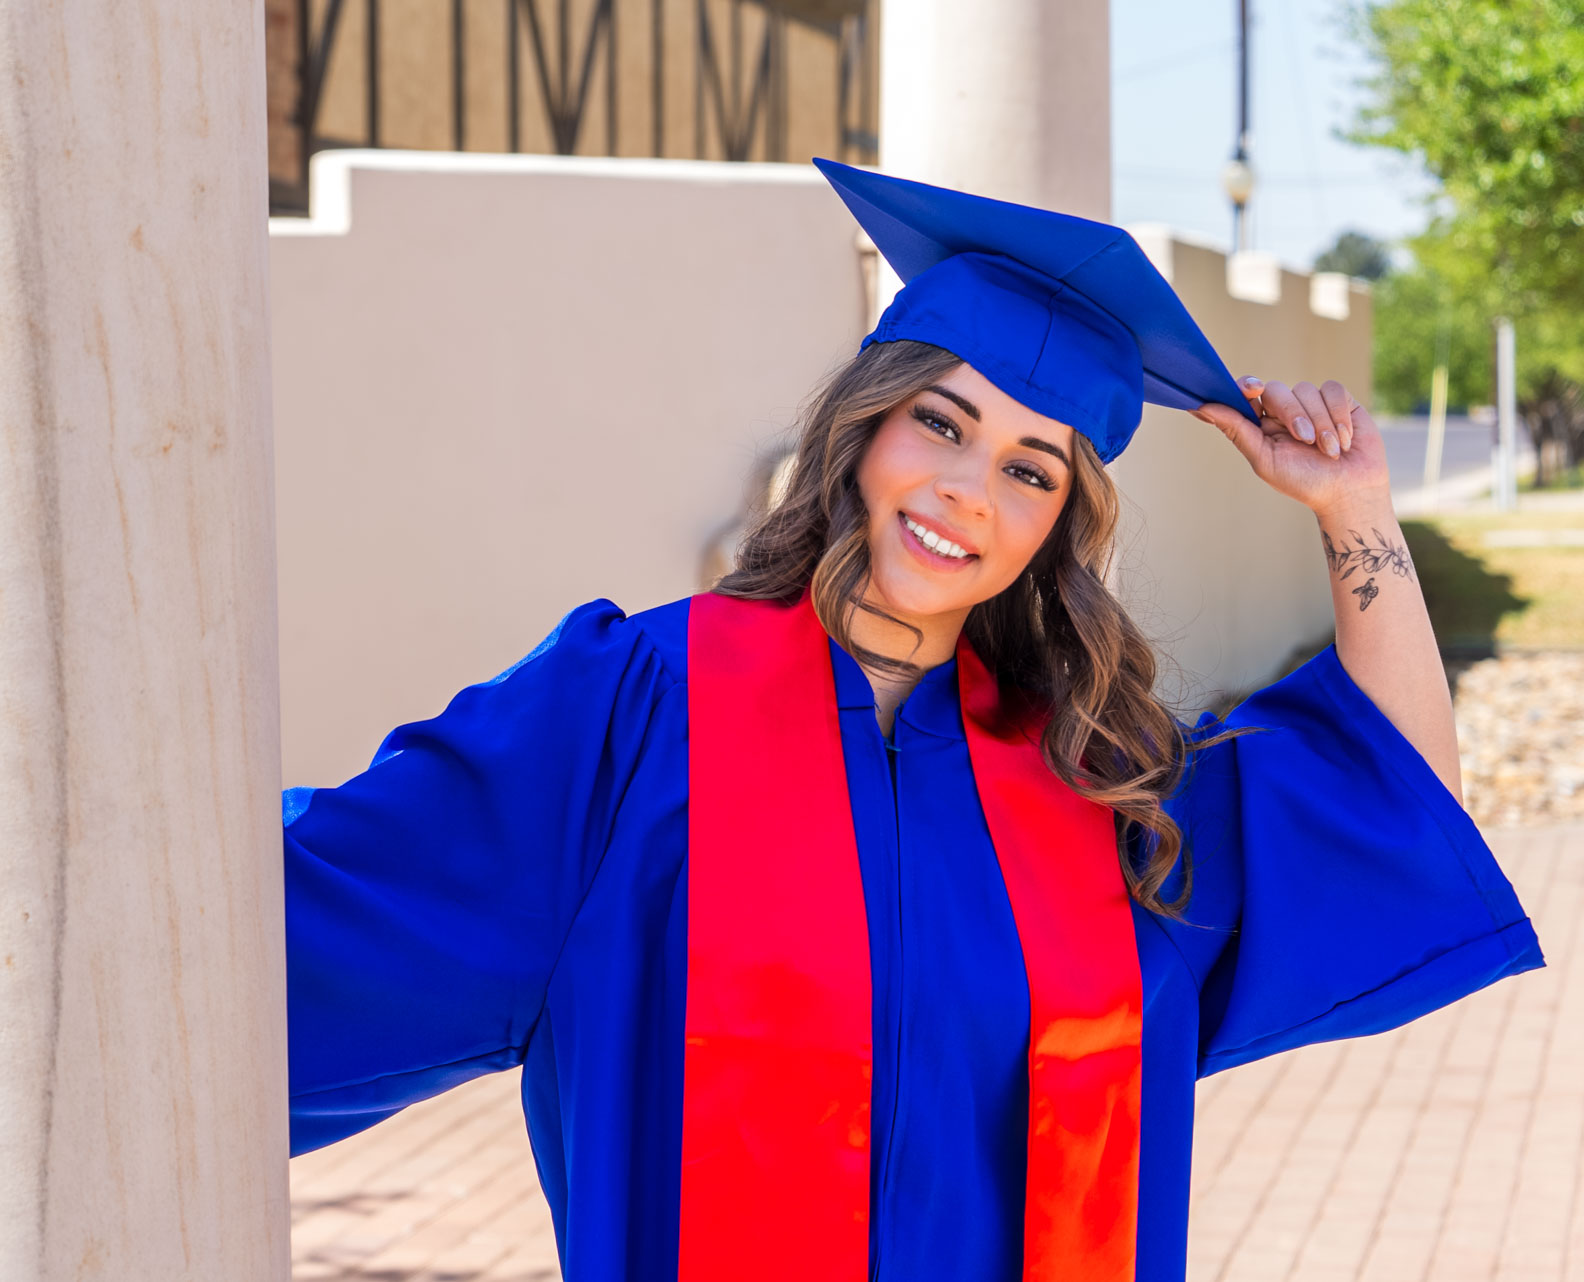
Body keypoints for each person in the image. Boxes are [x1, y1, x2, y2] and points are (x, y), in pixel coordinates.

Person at [280, 159, 1545, 1282]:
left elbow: (1396, 799)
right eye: (940, 422)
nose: (965, 491)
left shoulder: (1097, 783)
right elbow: (316, 917)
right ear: (864, 426)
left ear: (1057, 526)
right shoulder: (634, 710)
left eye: (1029, 470)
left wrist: (1354, 511)